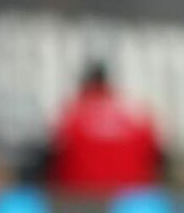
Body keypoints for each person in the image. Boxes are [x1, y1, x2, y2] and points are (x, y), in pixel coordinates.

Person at [47, 62, 165, 197]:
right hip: (132, 202)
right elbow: (156, 157)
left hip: (81, 202)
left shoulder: (72, 114)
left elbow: (54, 155)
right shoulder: (136, 113)